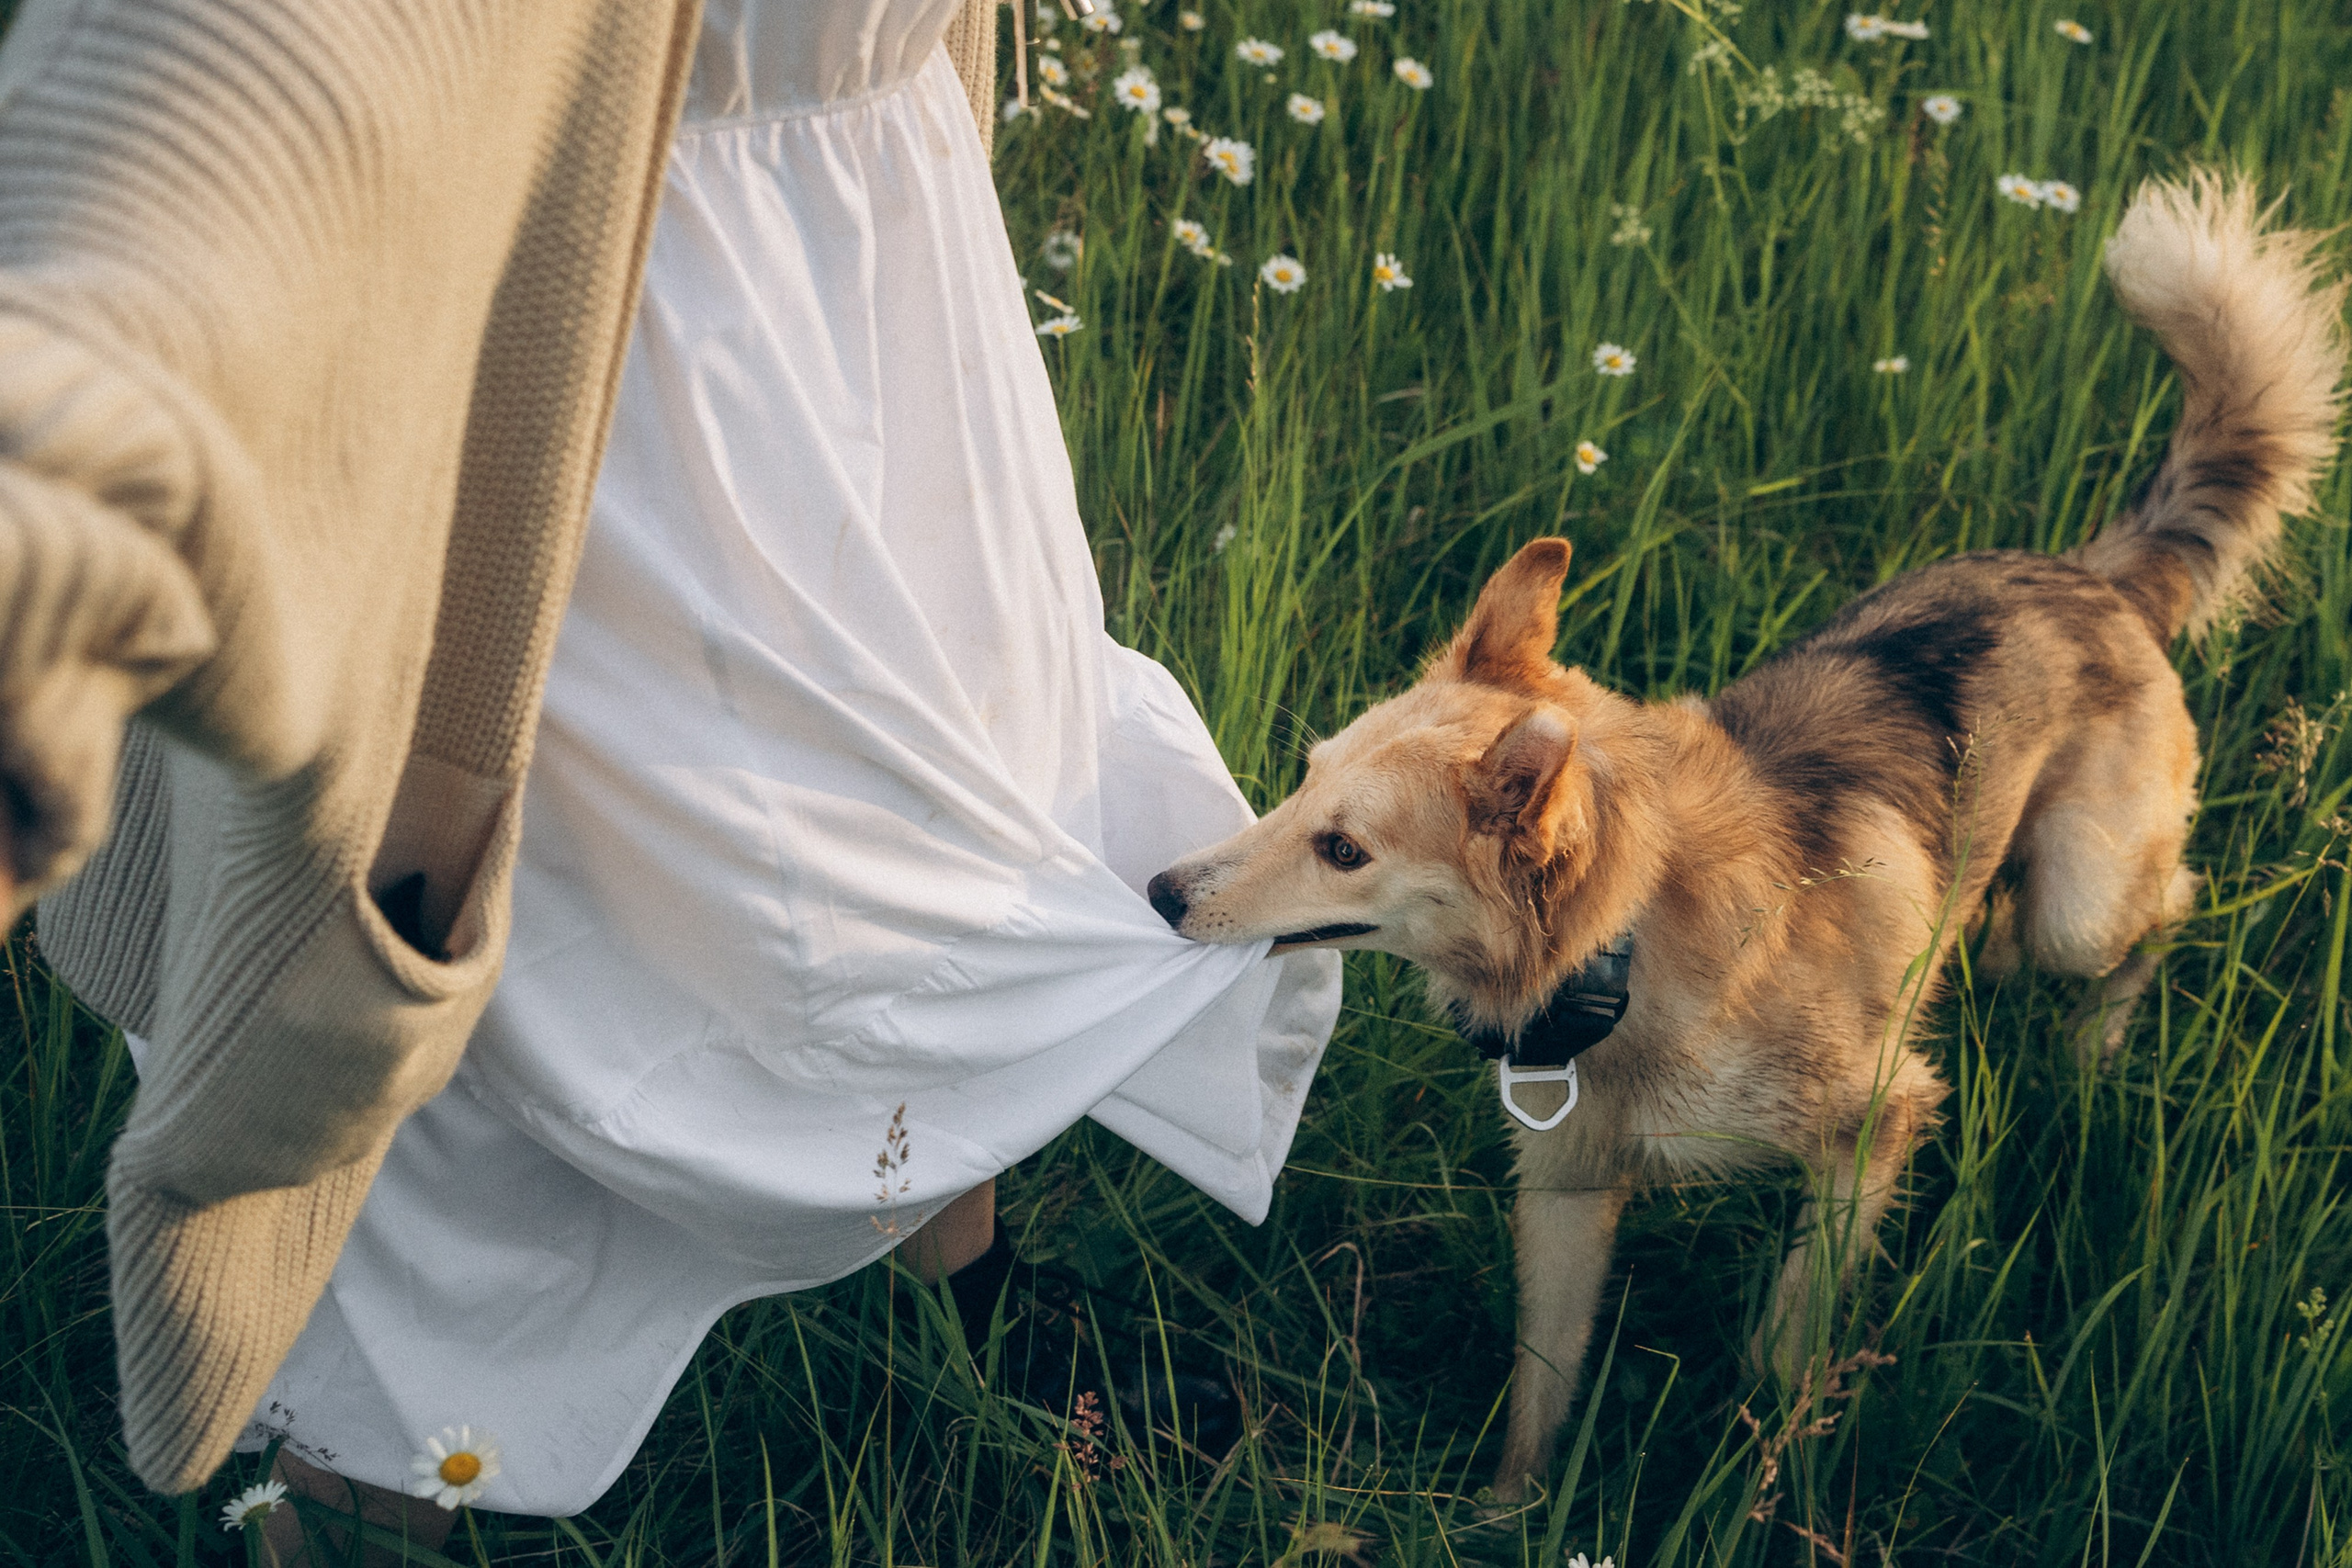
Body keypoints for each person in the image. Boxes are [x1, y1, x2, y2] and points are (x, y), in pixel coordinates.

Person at [2, 0, 1337, 1542]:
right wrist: (75, 439)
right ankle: (367, 1507)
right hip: (568, 371)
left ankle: (969, 1280)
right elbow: (239, 56)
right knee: (477, 961)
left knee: (948, 863)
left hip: (881, 289)